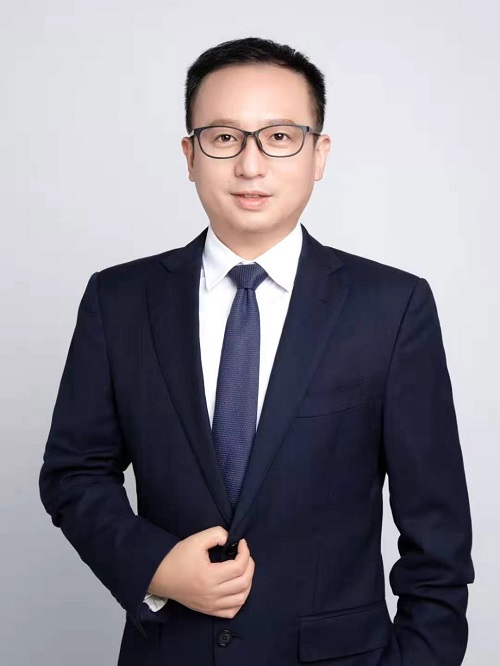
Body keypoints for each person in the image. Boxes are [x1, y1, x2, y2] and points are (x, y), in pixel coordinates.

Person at [39, 37, 474, 666]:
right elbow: (74, 473)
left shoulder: (391, 307)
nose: (250, 165)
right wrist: (154, 565)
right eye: (224, 138)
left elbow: (438, 533)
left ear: (319, 154)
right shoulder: (120, 301)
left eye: (279, 137)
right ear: (190, 156)